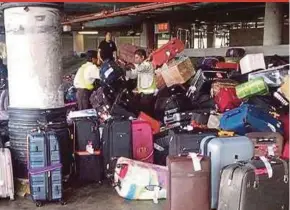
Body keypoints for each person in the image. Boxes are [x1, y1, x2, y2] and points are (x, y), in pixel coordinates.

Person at [126, 49, 157, 116]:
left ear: (142, 57)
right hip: (143, 92)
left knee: (145, 111)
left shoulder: (148, 65)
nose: (135, 59)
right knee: (134, 104)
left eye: (137, 58)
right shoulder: (141, 65)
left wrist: (131, 66)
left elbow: (138, 69)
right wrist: (128, 70)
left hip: (149, 93)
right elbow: (132, 76)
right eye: (135, 58)